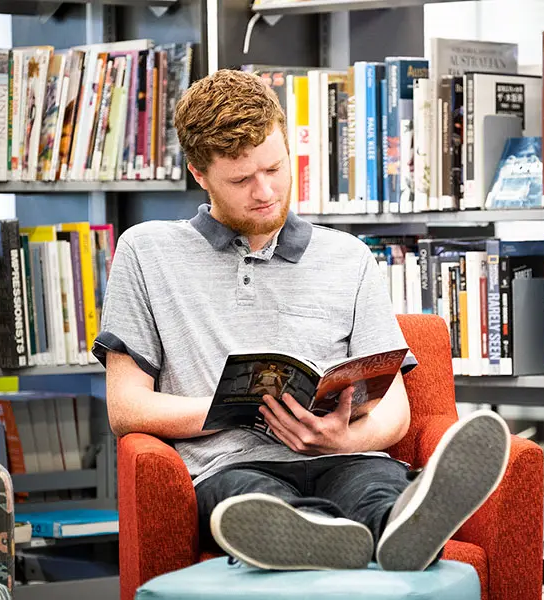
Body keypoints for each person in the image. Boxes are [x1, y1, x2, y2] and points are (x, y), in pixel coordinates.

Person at [92, 69, 511, 573]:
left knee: (374, 488)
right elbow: (126, 407)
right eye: (242, 180)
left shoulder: (349, 256)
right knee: (252, 502)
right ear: (199, 175)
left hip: (348, 457)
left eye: (275, 167)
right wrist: (239, 408)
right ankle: (319, 534)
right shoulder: (146, 251)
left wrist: (342, 439)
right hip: (230, 464)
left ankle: (402, 525)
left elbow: (395, 406)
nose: (265, 191)